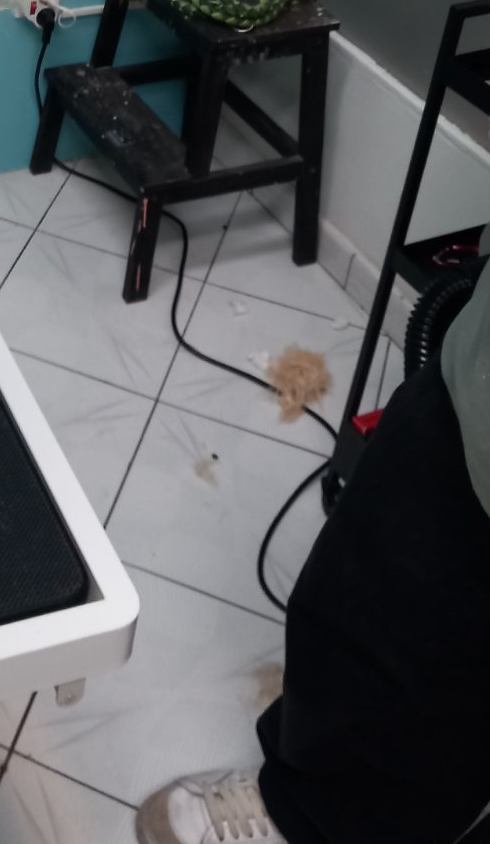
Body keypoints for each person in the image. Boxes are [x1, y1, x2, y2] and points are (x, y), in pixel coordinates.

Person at [136, 263, 490, 844]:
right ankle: (326, 799)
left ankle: (314, 821)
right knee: (377, 583)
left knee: (412, 619)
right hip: (473, 377)